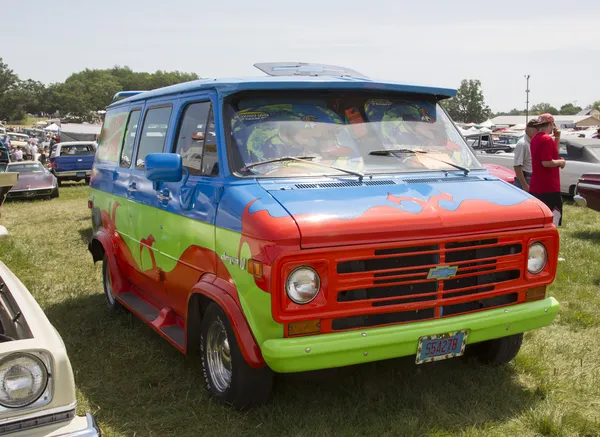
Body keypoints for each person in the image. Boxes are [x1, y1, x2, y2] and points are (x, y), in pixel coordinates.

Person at [529, 113, 565, 226]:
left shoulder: (535, 139)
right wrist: (561, 162)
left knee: (538, 218)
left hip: (536, 185)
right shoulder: (546, 139)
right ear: (550, 124)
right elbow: (546, 162)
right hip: (549, 186)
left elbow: (553, 154)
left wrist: (557, 137)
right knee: (553, 217)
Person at [512, 119, 538, 191]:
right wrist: (524, 185)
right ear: (530, 130)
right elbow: (517, 166)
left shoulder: (531, 142)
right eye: (537, 129)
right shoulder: (522, 144)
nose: (539, 132)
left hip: (530, 178)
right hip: (525, 179)